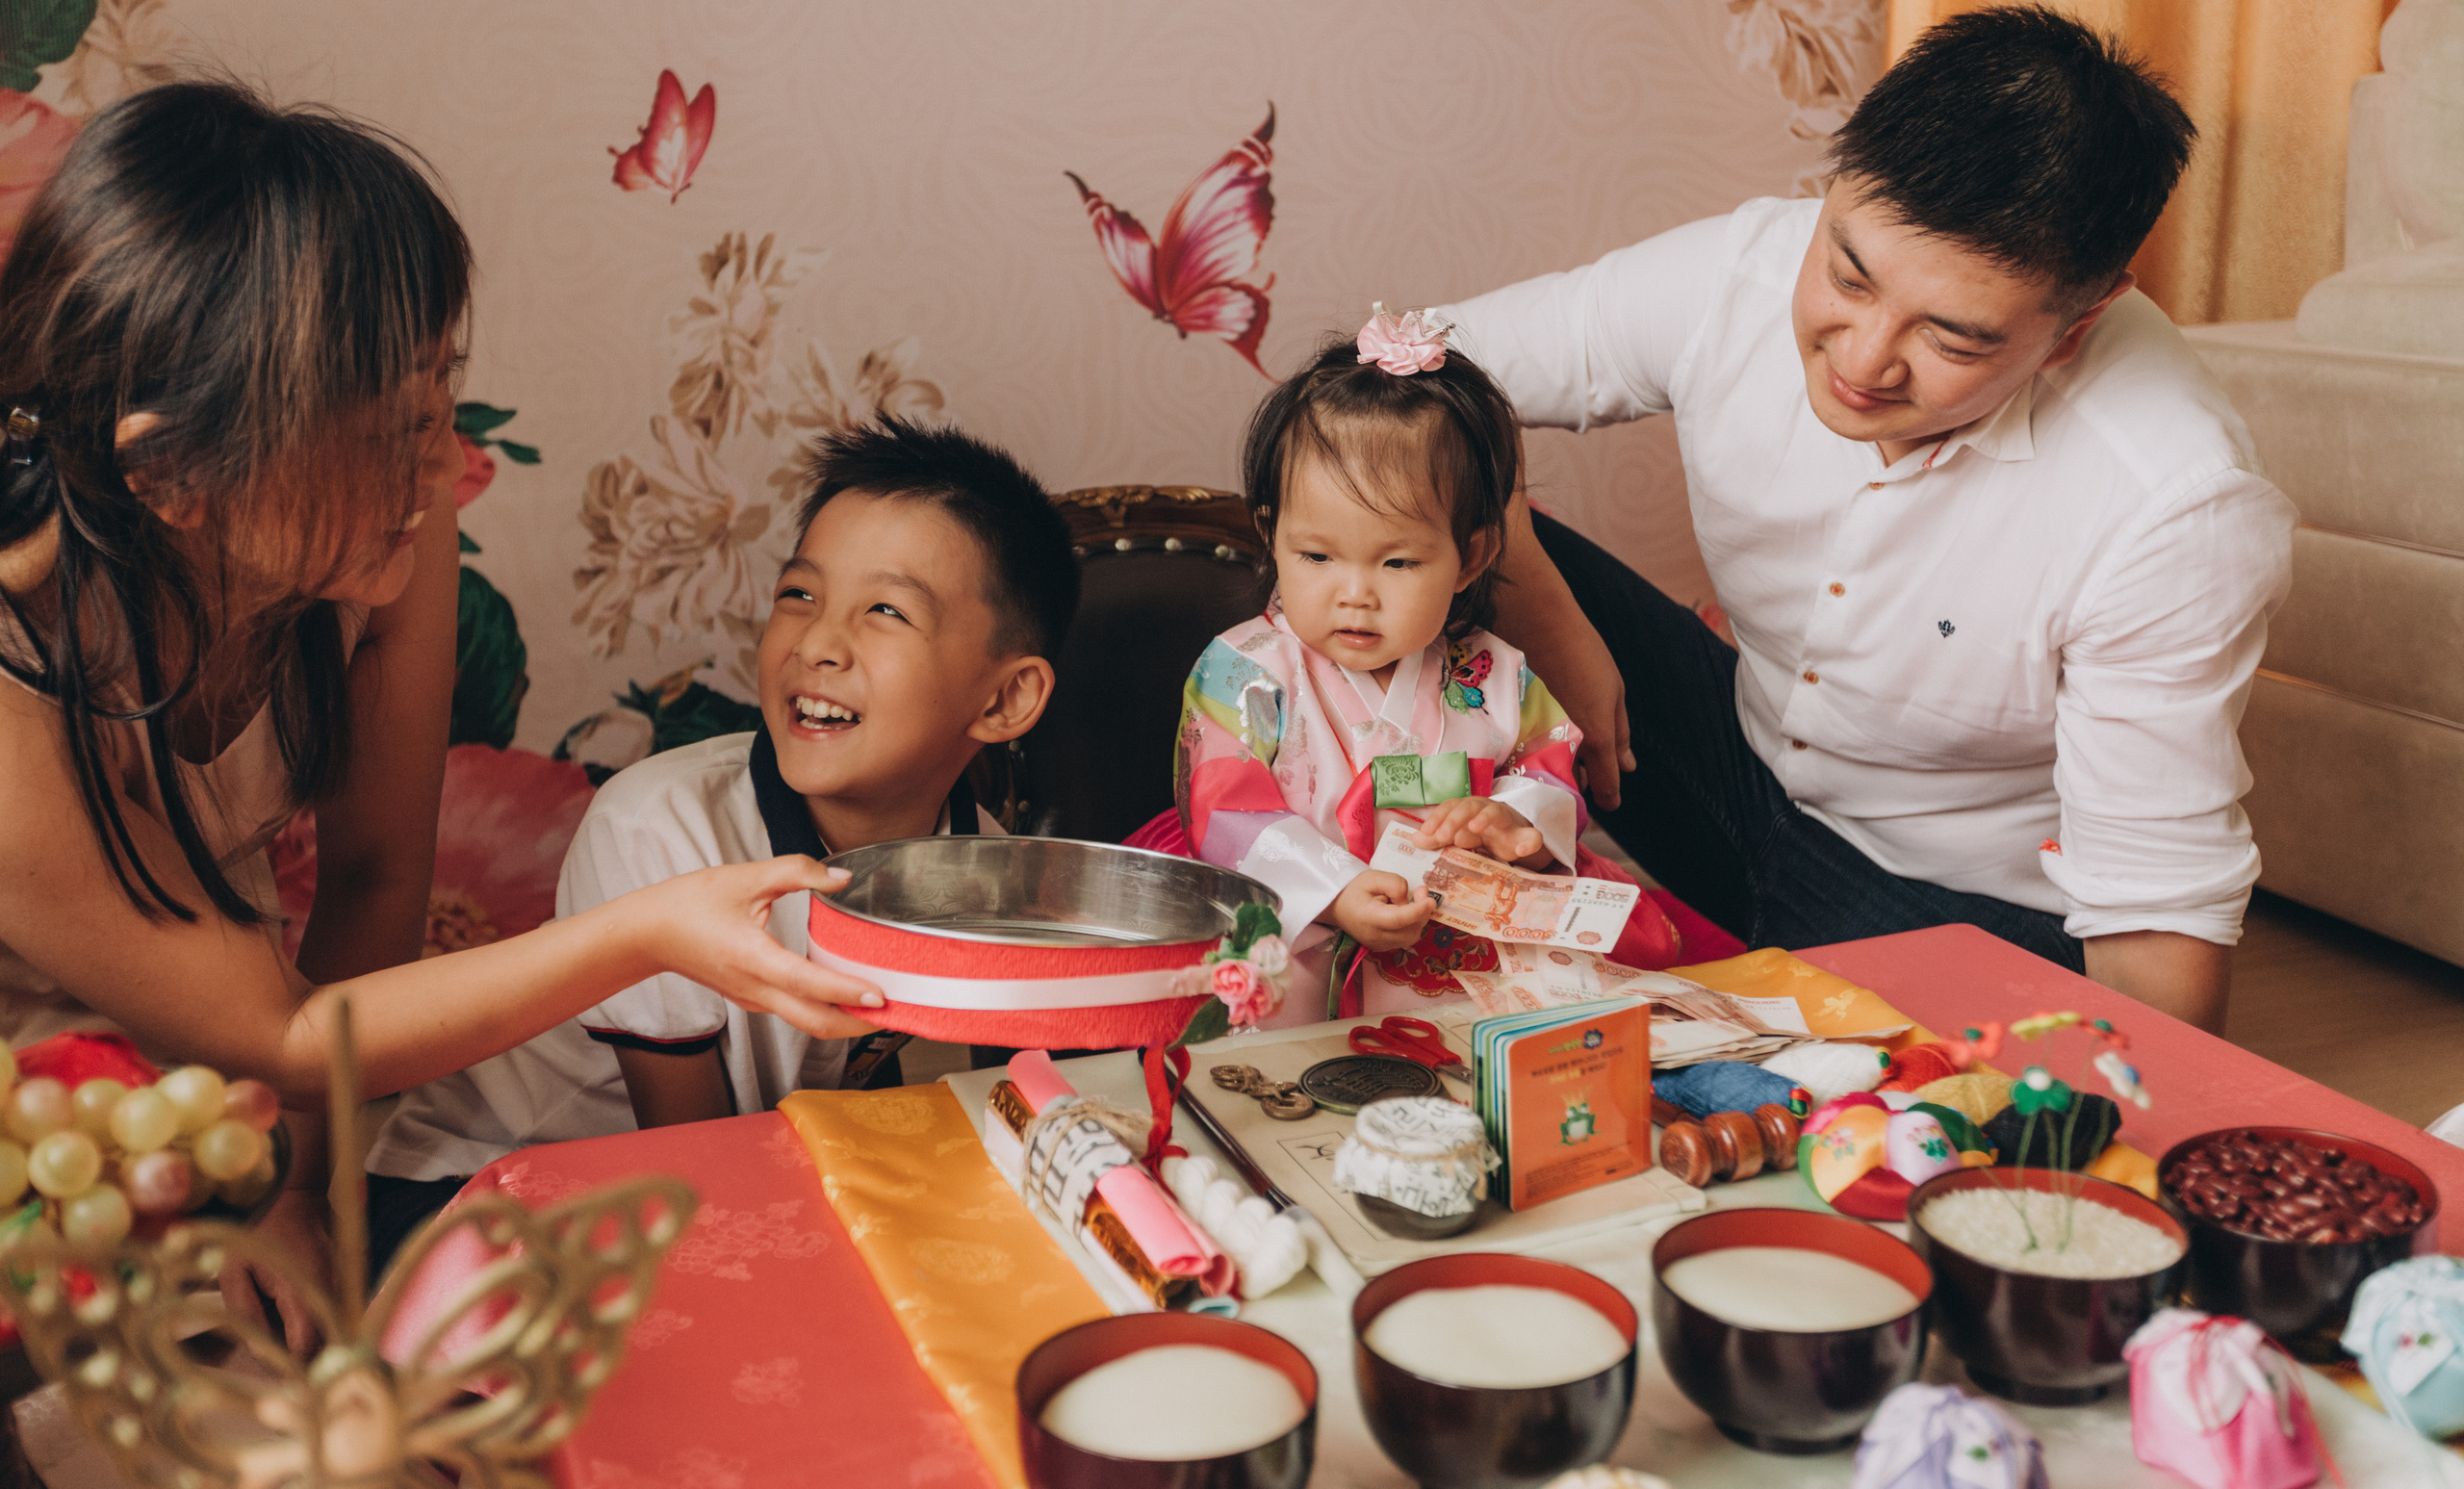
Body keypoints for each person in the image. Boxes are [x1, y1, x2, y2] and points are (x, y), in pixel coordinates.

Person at [0, 82, 879, 1348]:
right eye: (378, 427)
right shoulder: (18, 687)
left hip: (218, 1126)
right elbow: (285, 1025)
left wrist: (304, 1191)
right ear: (171, 474)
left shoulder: (385, 541)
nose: (435, 464)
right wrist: (648, 931)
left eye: (437, 396)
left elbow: (370, 884)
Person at [1443, 7, 2296, 1033]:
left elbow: (2158, 914)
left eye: (1952, 338)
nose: (1861, 360)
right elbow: (1396, 365)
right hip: (1734, 770)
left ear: (2075, 329)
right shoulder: (1740, 270)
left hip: (1949, 904)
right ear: (1835, 186)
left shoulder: (2171, 502)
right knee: (1390, 532)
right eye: (1848, 277)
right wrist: (1539, 607)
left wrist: (2147, 1132)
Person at [364, 418, 1077, 1271]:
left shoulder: (992, 876)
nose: (817, 643)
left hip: (720, 1199)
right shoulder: (659, 828)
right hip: (482, 1196)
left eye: (884, 611)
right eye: (799, 595)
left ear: (1003, 701)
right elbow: (706, 1177)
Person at [1169, 310, 1675, 1025]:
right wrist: (1336, 890)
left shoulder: (1495, 672)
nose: (1354, 593)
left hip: (1458, 966)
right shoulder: (1241, 671)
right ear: (1270, 534)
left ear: (1470, 557)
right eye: (1316, 555)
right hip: (1302, 958)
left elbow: (1548, 771)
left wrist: (1510, 819)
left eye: (1397, 561)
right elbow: (1225, 812)